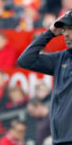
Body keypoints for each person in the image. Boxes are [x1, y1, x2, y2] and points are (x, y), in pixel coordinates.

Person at [18, 9, 72, 145]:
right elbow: (25, 60)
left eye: (70, 29)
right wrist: (49, 33)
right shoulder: (61, 58)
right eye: (64, 29)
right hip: (60, 139)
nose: (65, 34)